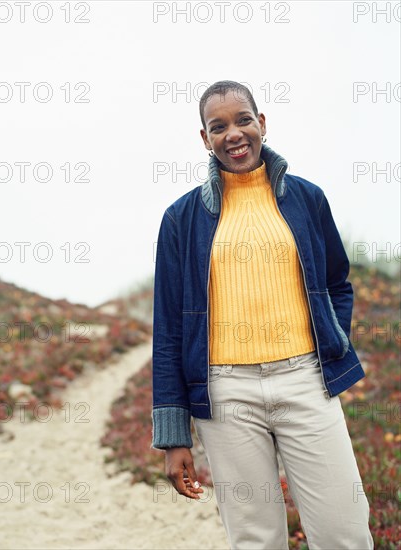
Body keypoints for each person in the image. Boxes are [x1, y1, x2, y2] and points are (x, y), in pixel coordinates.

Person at [150, 80, 374, 549]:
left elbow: (337, 283)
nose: (233, 133)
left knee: (345, 534)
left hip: (306, 381)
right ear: (204, 138)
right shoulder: (180, 220)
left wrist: (331, 343)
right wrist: (174, 437)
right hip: (226, 393)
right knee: (255, 539)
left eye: (243, 120)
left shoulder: (307, 199)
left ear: (262, 124)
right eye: (218, 126)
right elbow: (169, 330)